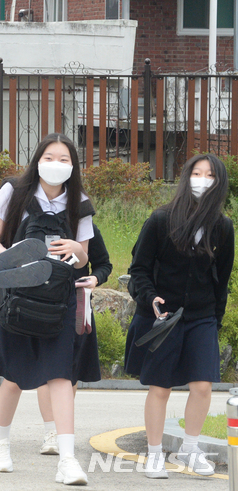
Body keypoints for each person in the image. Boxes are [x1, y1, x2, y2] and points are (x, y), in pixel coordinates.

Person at [0, 133, 94, 485]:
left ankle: (68, 460)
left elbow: (84, 257)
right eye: (49, 156)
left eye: (64, 159)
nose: (56, 164)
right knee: (14, 375)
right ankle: (0, 443)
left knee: (61, 375)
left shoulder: (79, 202)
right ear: (38, 160)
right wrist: (16, 254)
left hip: (60, 295)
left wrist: (75, 249)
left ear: (73, 165)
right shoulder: (14, 190)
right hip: (17, 290)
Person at [124, 153, 234, 479]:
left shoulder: (223, 227)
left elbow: (222, 280)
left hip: (201, 317)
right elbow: (138, 270)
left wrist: (214, 319)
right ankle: (155, 453)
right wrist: (149, 297)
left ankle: (190, 447)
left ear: (219, 183)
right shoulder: (160, 220)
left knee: (202, 386)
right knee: (161, 387)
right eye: (196, 173)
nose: (202, 179)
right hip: (164, 317)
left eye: (210, 175)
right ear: (186, 177)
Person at [36, 224, 112, 455]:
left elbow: (104, 264)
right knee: (45, 369)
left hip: (76, 304)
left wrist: (95, 279)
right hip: (40, 304)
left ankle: (62, 430)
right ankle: (51, 432)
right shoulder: (36, 224)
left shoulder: (86, 228)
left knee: (71, 368)